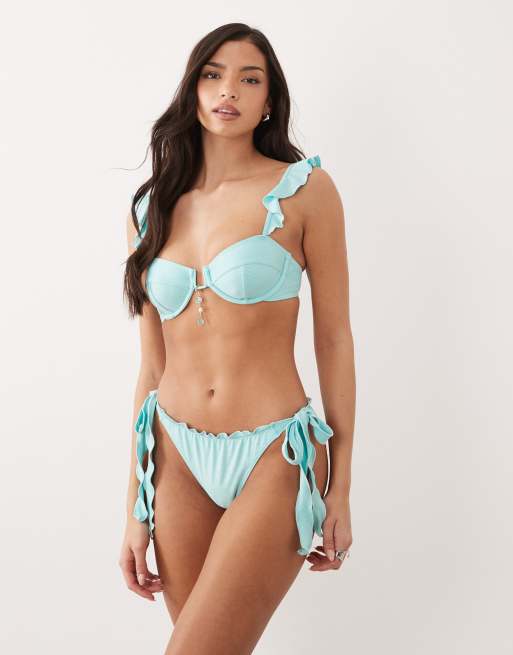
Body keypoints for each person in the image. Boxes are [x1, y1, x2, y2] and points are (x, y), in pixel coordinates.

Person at [119, 22, 356, 655]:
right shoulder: (152, 208)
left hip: (275, 454)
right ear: (193, 89)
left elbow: (334, 340)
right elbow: (151, 368)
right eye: (213, 75)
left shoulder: (305, 191)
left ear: (269, 100)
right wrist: (135, 505)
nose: (229, 91)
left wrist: (341, 486)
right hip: (175, 454)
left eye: (250, 79)